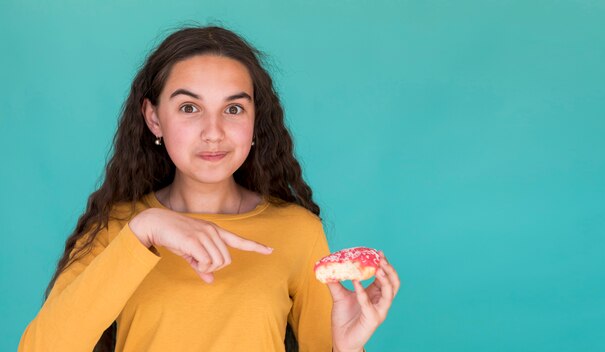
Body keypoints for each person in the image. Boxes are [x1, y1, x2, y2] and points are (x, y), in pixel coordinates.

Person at [18, 25, 400, 352]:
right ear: (154, 118)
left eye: (233, 109)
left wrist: (346, 347)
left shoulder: (298, 232)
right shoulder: (120, 229)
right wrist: (146, 228)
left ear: (255, 121)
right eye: (189, 108)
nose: (213, 132)